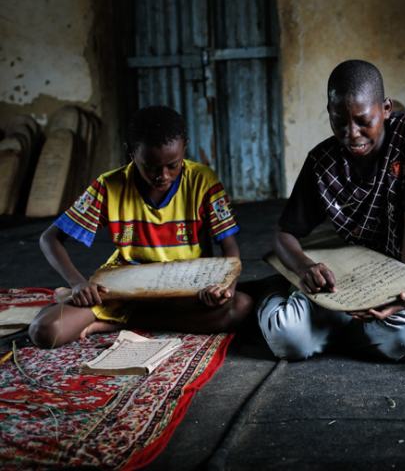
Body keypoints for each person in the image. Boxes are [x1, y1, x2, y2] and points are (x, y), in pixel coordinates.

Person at [258, 60, 405, 361]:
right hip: (343, 286)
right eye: (339, 121)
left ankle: (329, 335)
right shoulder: (321, 162)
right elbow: (283, 237)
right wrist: (303, 267)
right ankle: (276, 292)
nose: (352, 133)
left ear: (385, 108)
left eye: (363, 120)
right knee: (288, 337)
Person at [29, 105, 252, 349]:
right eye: (151, 167)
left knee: (239, 308)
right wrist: (77, 283)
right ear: (131, 152)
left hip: (189, 288)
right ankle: (91, 306)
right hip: (124, 289)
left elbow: (229, 244)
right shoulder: (109, 185)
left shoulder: (202, 180)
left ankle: (116, 323)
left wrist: (225, 289)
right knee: (45, 331)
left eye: (173, 165)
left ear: (185, 147)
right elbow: (49, 238)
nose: (163, 176)